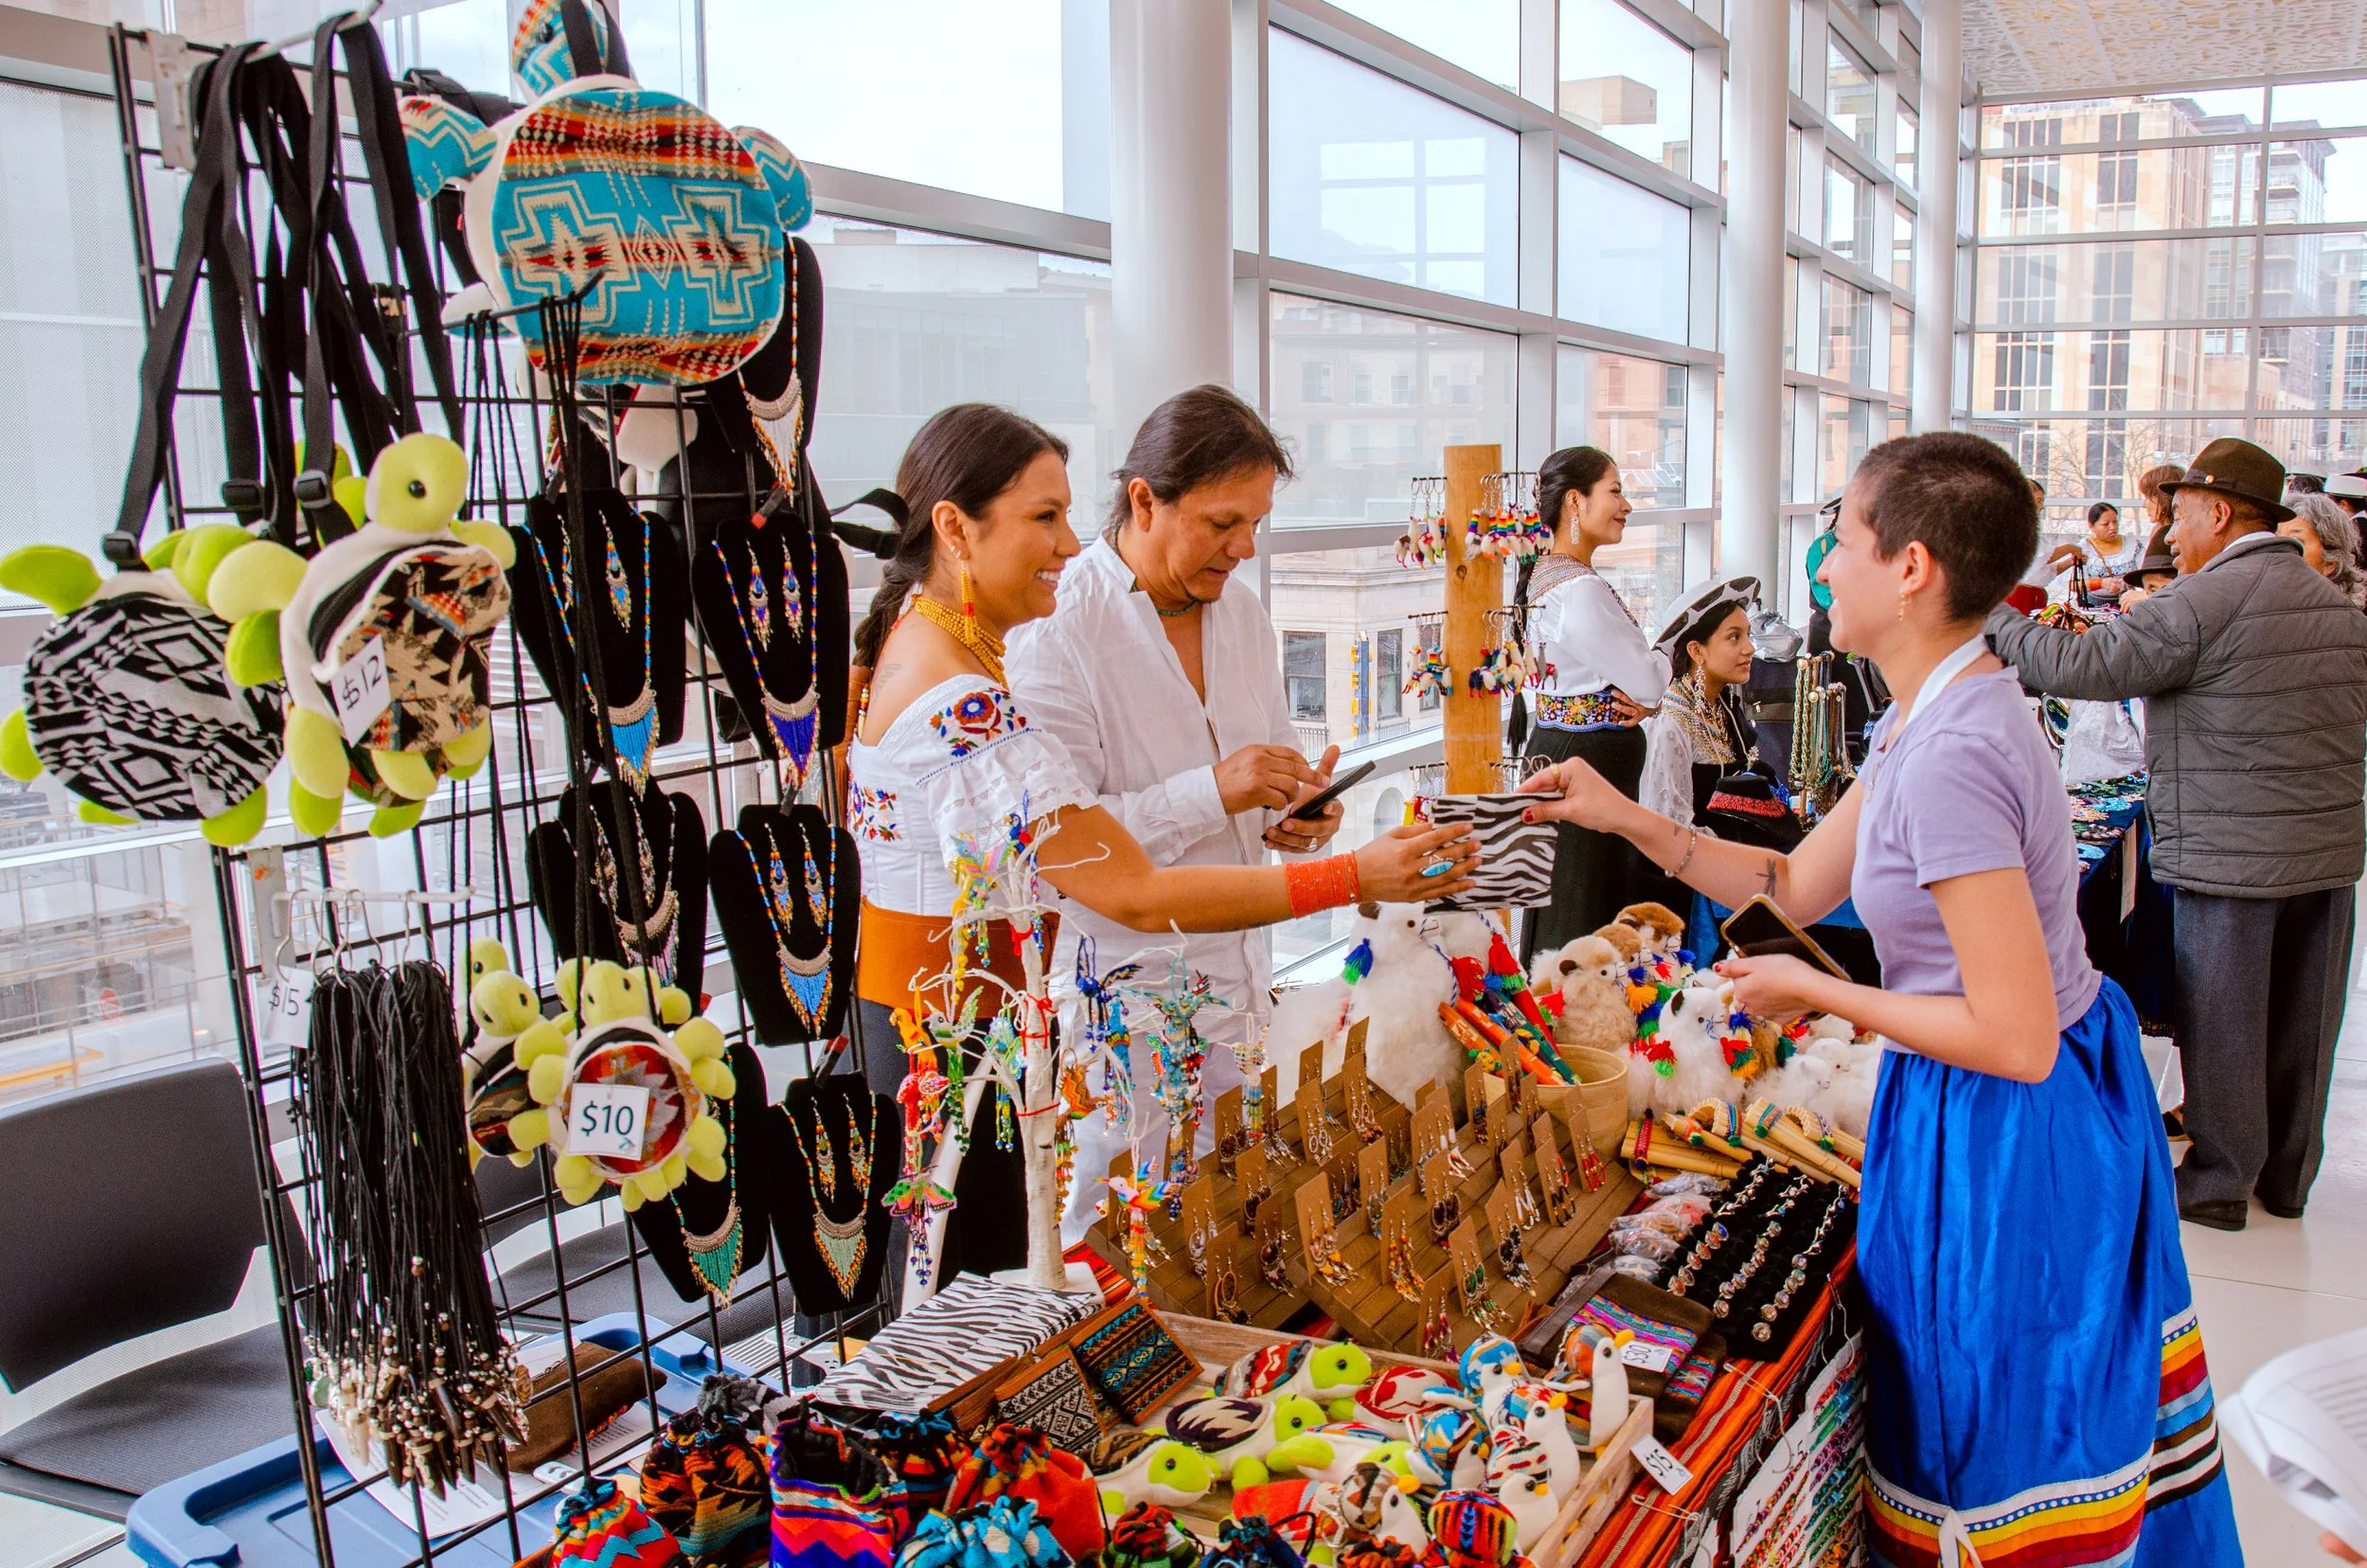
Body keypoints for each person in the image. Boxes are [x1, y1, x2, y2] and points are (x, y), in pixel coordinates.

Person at [1521, 431, 2240, 1564]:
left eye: (1841, 538)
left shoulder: (1950, 749)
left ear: (1910, 568)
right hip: (2013, 1103)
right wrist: (1622, 819)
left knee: (1991, 1445)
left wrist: (1818, 991)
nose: (1823, 566)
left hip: (2007, 1132)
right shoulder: (1934, 712)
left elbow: (2009, 1036)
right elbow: (1794, 880)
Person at [848, 403, 1478, 1284]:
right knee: (996, 1301)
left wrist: (1292, 826)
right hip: (979, 1039)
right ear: (955, 529)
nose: (1068, 545)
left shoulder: (934, 659)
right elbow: (1131, 889)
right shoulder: (976, 695)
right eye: (1044, 517)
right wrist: (1347, 877)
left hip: (967, 1027)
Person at [1984, 436, 2367, 1232]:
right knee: (2305, 1020)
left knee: (2224, 1020)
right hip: (2328, 856)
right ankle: (2288, 1179)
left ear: (2221, 513)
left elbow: (2079, 667)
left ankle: (2221, 1182)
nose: (2168, 531)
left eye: (2179, 513)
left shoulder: (2203, 603)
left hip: (2232, 855)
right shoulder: (2335, 608)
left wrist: (1991, 616)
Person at [1004, 384, 1339, 1223]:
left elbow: (1260, 783)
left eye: (1256, 523)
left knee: (1233, 1228)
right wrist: (1212, 788)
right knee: (1114, 1241)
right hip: (1127, 1008)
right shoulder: (1055, 633)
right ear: (1144, 500)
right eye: (1223, 523)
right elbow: (1071, 857)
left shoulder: (1245, 617)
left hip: (1244, 984)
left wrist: (1296, 813)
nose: (1244, 547)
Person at [1519, 445, 1667, 956]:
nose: (1626, 505)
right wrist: (1662, 671)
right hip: (1590, 760)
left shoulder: (1546, 575)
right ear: (1576, 502)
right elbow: (1647, 681)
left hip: (1562, 746)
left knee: (1563, 900)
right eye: (1616, 491)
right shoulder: (1579, 589)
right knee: (1584, 909)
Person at [1638, 577, 1759, 828]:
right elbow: (1666, 826)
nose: (1750, 648)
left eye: (1748, 635)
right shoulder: (1671, 723)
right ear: (1696, 651)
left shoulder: (1723, 706)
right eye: (1734, 637)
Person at [2045, 500, 2143, 608]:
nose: (2113, 527)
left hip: (2127, 605)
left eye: (2115, 522)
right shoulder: (2082, 549)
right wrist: (2101, 583)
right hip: (2093, 607)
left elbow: (2145, 573)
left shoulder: (2132, 545)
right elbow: (2072, 583)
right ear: (2091, 526)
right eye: (2106, 524)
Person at [2283, 492, 2367, 611]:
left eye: (2296, 541)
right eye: (2275, 537)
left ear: (2330, 562)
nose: (2279, 546)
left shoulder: (2347, 621)